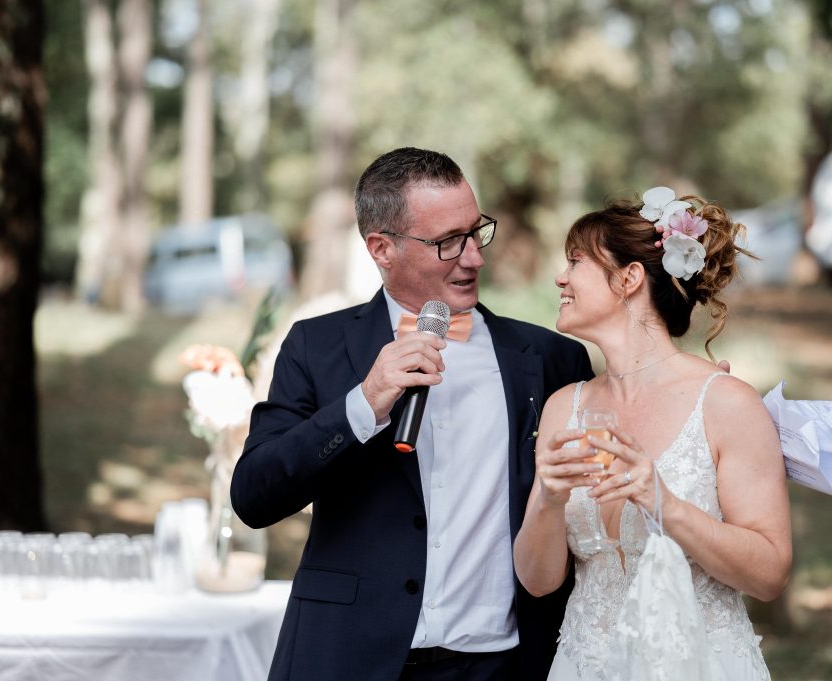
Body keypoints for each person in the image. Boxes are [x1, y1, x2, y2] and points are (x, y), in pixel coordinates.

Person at [230, 147, 594, 681]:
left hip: (504, 666)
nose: (474, 258)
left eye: (476, 232)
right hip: (348, 659)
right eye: (448, 241)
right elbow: (253, 496)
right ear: (382, 248)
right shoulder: (318, 345)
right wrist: (363, 404)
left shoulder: (552, 358)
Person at [513, 188, 793, 680]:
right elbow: (538, 583)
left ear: (630, 278)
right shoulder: (564, 408)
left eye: (576, 261)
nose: (560, 276)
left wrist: (666, 505)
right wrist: (548, 500)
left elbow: (770, 573)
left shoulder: (725, 402)